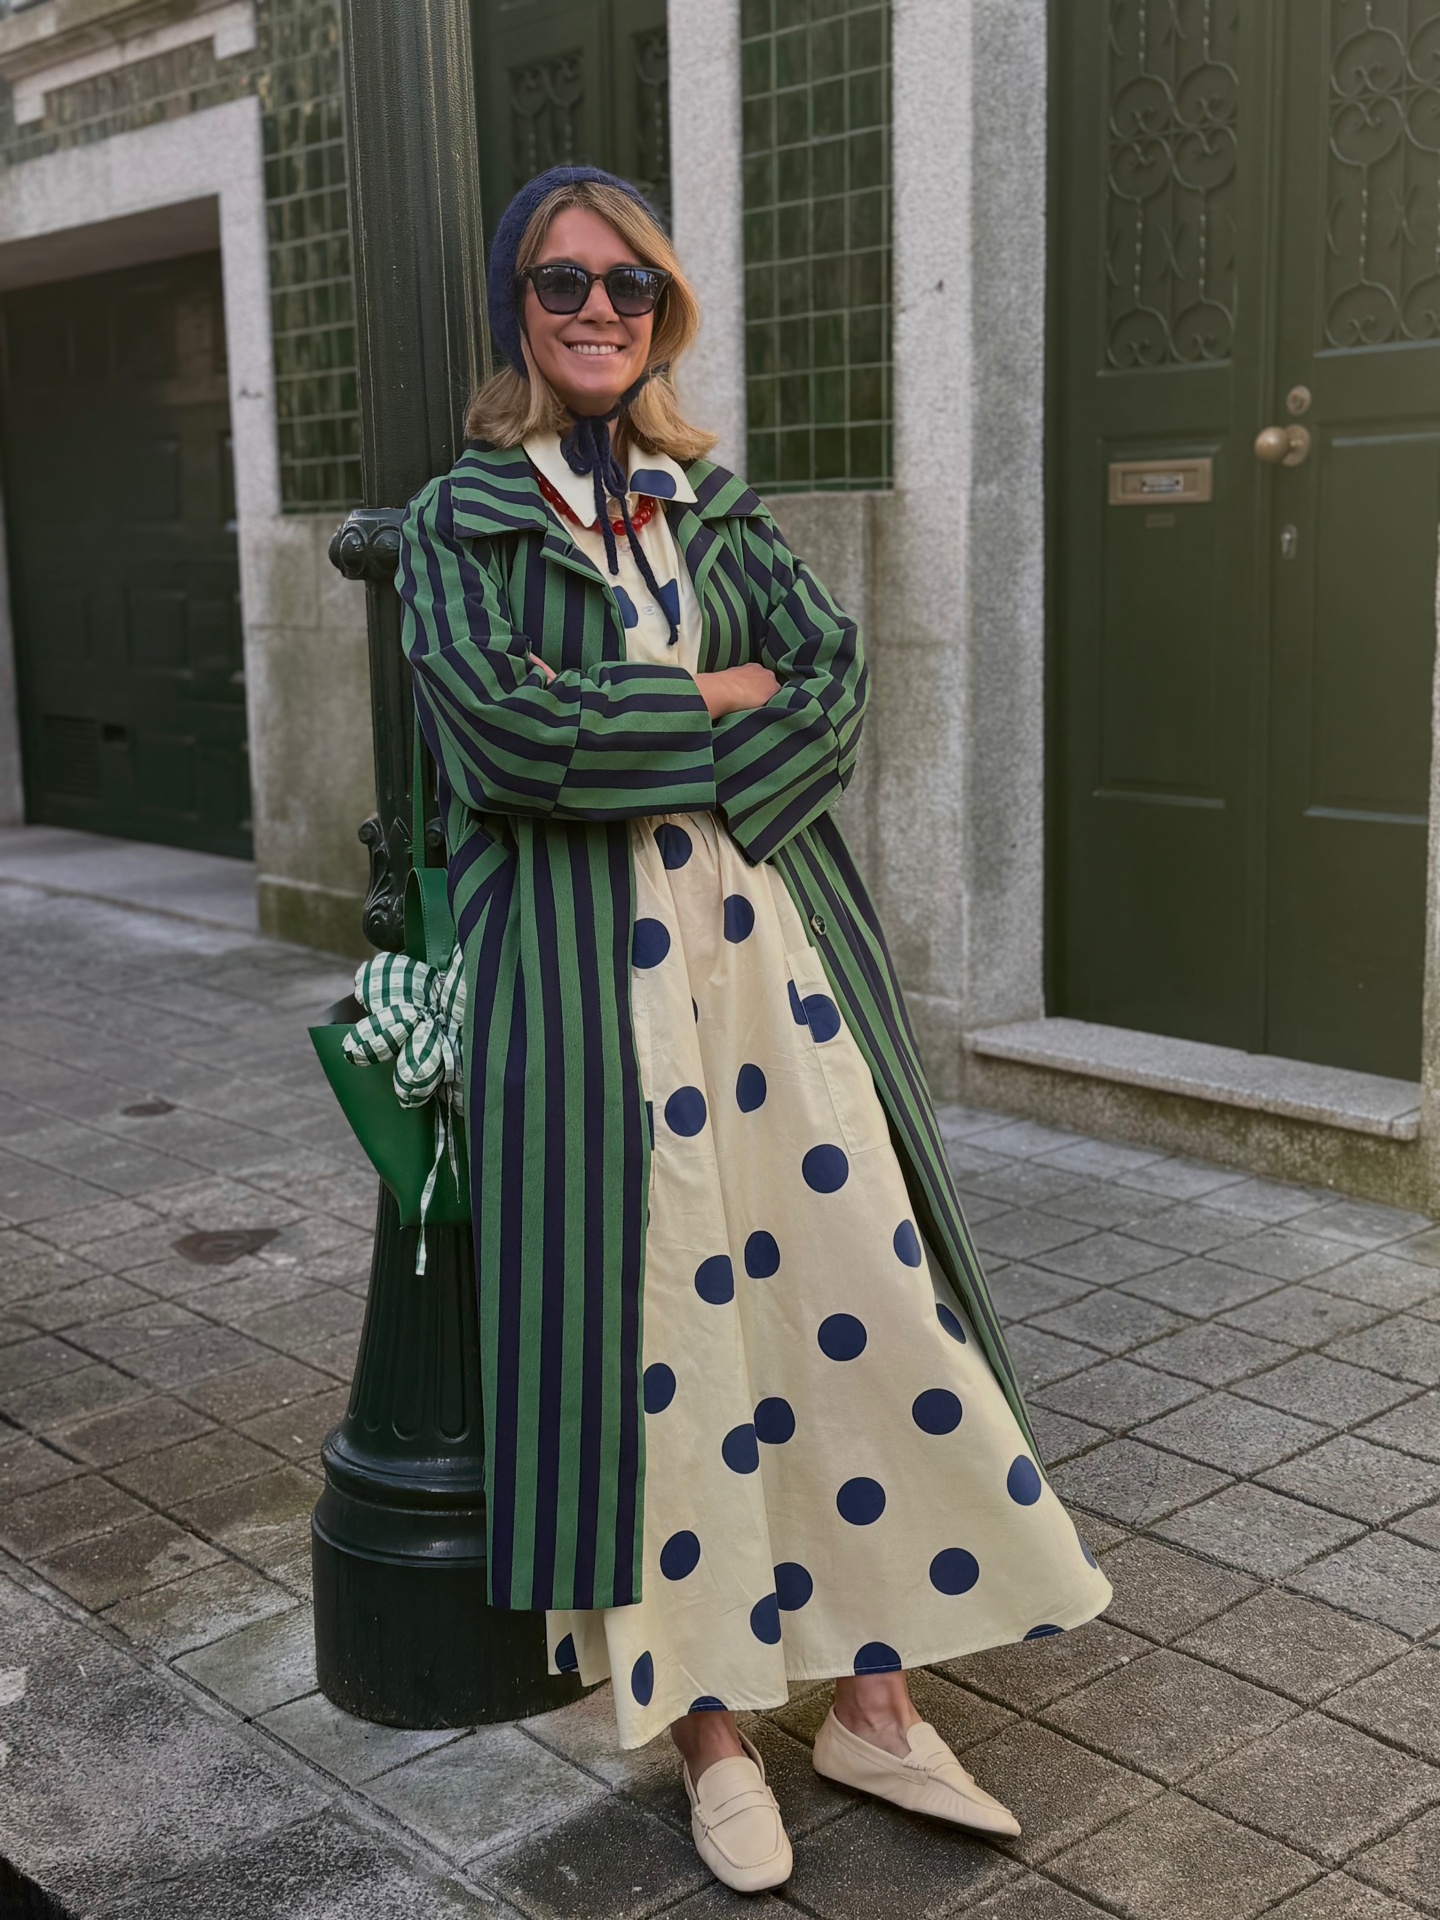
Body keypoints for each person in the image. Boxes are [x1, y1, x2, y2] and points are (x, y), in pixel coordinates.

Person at [397, 164, 1112, 1895]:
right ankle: (711, 1729)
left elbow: (832, 680)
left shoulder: (711, 504)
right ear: (516, 306)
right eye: (563, 282)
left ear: (664, 311)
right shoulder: (458, 521)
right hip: (587, 994)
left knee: (852, 1300)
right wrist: (711, 696)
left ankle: (874, 1701)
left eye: (629, 286)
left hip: (770, 972)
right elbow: (502, 742)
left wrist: (652, 718)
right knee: (663, 1337)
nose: (598, 311)